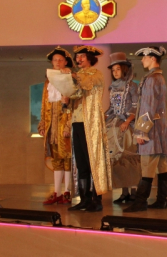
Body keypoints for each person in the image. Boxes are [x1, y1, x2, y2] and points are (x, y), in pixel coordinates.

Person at [124, 46, 167, 212]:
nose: (142, 60)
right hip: (159, 128)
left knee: (147, 166)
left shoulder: (152, 79)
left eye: (144, 57)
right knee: (161, 165)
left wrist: (141, 131)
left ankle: (140, 201)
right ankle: (161, 200)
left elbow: (148, 107)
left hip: (151, 130)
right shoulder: (158, 77)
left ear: (152, 58)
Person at [65, 45, 112, 212]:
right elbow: (75, 95)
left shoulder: (96, 74)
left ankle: (96, 199)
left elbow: (86, 84)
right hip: (77, 122)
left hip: (90, 123)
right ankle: (84, 198)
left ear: (90, 58)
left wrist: (73, 76)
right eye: (77, 57)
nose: (78, 59)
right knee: (81, 163)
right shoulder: (78, 76)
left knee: (93, 160)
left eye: (82, 56)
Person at [39, 47, 74, 205]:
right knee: (56, 159)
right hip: (51, 126)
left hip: (63, 124)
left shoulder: (68, 79)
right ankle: (57, 192)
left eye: (60, 60)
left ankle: (67, 192)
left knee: (67, 158)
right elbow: (43, 104)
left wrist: (68, 126)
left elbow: (72, 105)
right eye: (55, 60)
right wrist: (42, 123)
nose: (58, 62)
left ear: (66, 62)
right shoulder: (48, 82)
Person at [105, 52, 141, 204]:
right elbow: (112, 108)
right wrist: (104, 116)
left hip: (128, 126)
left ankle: (134, 192)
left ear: (124, 70)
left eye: (118, 69)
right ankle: (124, 192)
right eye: (113, 70)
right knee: (118, 160)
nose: (115, 72)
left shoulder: (132, 86)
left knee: (129, 158)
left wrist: (128, 121)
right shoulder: (113, 88)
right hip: (115, 125)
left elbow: (135, 106)